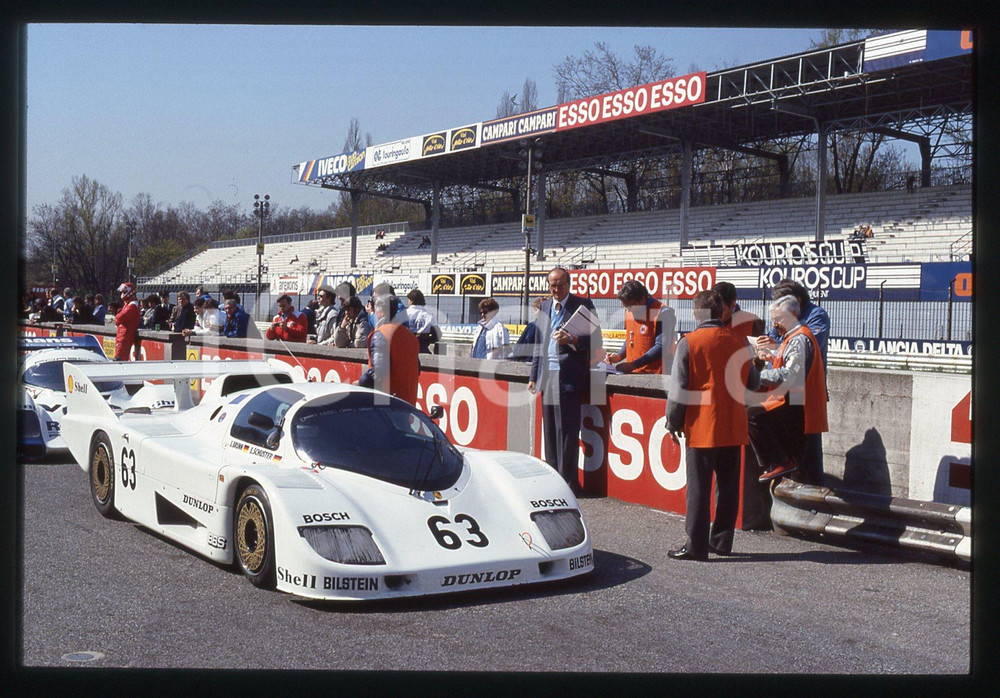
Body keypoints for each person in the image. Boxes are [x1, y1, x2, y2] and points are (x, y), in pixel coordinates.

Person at [666, 290, 759, 561]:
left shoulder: (690, 342)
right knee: (728, 488)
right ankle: (721, 541)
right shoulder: (740, 342)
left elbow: (679, 389)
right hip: (733, 423)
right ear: (722, 312)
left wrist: (673, 420)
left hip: (702, 425)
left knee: (698, 488)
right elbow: (753, 383)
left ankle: (696, 545)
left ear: (696, 314)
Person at [528, 267, 603, 491]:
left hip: (569, 376)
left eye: (560, 285)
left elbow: (596, 340)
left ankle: (569, 483)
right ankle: (553, 481)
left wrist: (572, 339)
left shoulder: (583, 306)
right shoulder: (544, 306)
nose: (556, 289)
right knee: (550, 431)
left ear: (569, 285)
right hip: (547, 376)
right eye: (552, 285)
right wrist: (534, 375)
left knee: (568, 433)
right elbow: (538, 345)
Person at [748, 295, 828, 483]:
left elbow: (791, 375)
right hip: (795, 403)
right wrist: (771, 359)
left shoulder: (799, 339)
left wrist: (755, 378)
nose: (774, 325)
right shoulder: (793, 338)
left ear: (792, 314)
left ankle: (779, 463)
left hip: (798, 406)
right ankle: (780, 464)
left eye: (778, 319)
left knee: (752, 416)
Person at [365, 293, 420, 405]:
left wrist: (361, 383)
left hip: (385, 403)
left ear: (381, 311)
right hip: (407, 402)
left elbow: (378, 373)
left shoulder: (380, 334)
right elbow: (417, 368)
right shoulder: (410, 336)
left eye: (375, 309)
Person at [606, 280, 668, 374]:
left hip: (654, 376)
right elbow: (630, 338)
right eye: (625, 306)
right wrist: (619, 356)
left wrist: (633, 365)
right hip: (632, 373)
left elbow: (661, 347)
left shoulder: (662, 312)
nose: (628, 310)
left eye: (631, 305)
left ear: (643, 298)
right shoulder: (628, 311)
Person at [406, 289, 442, 354]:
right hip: (423, 350)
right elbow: (438, 334)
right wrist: (427, 341)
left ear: (411, 301)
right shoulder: (429, 316)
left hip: (407, 351)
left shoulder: (404, 314)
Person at [114, 282, 141, 361]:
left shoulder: (133, 305)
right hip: (121, 335)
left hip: (125, 337)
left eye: (124, 292)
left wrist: (118, 315)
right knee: (118, 359)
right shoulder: (128, 304)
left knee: (120, 360)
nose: (122, 294)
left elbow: (119, 318)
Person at [510, 297, 544, 362]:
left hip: (530, 362)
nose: (535, 313)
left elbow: (520, 348)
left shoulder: (533, 326)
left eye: (536, 310)